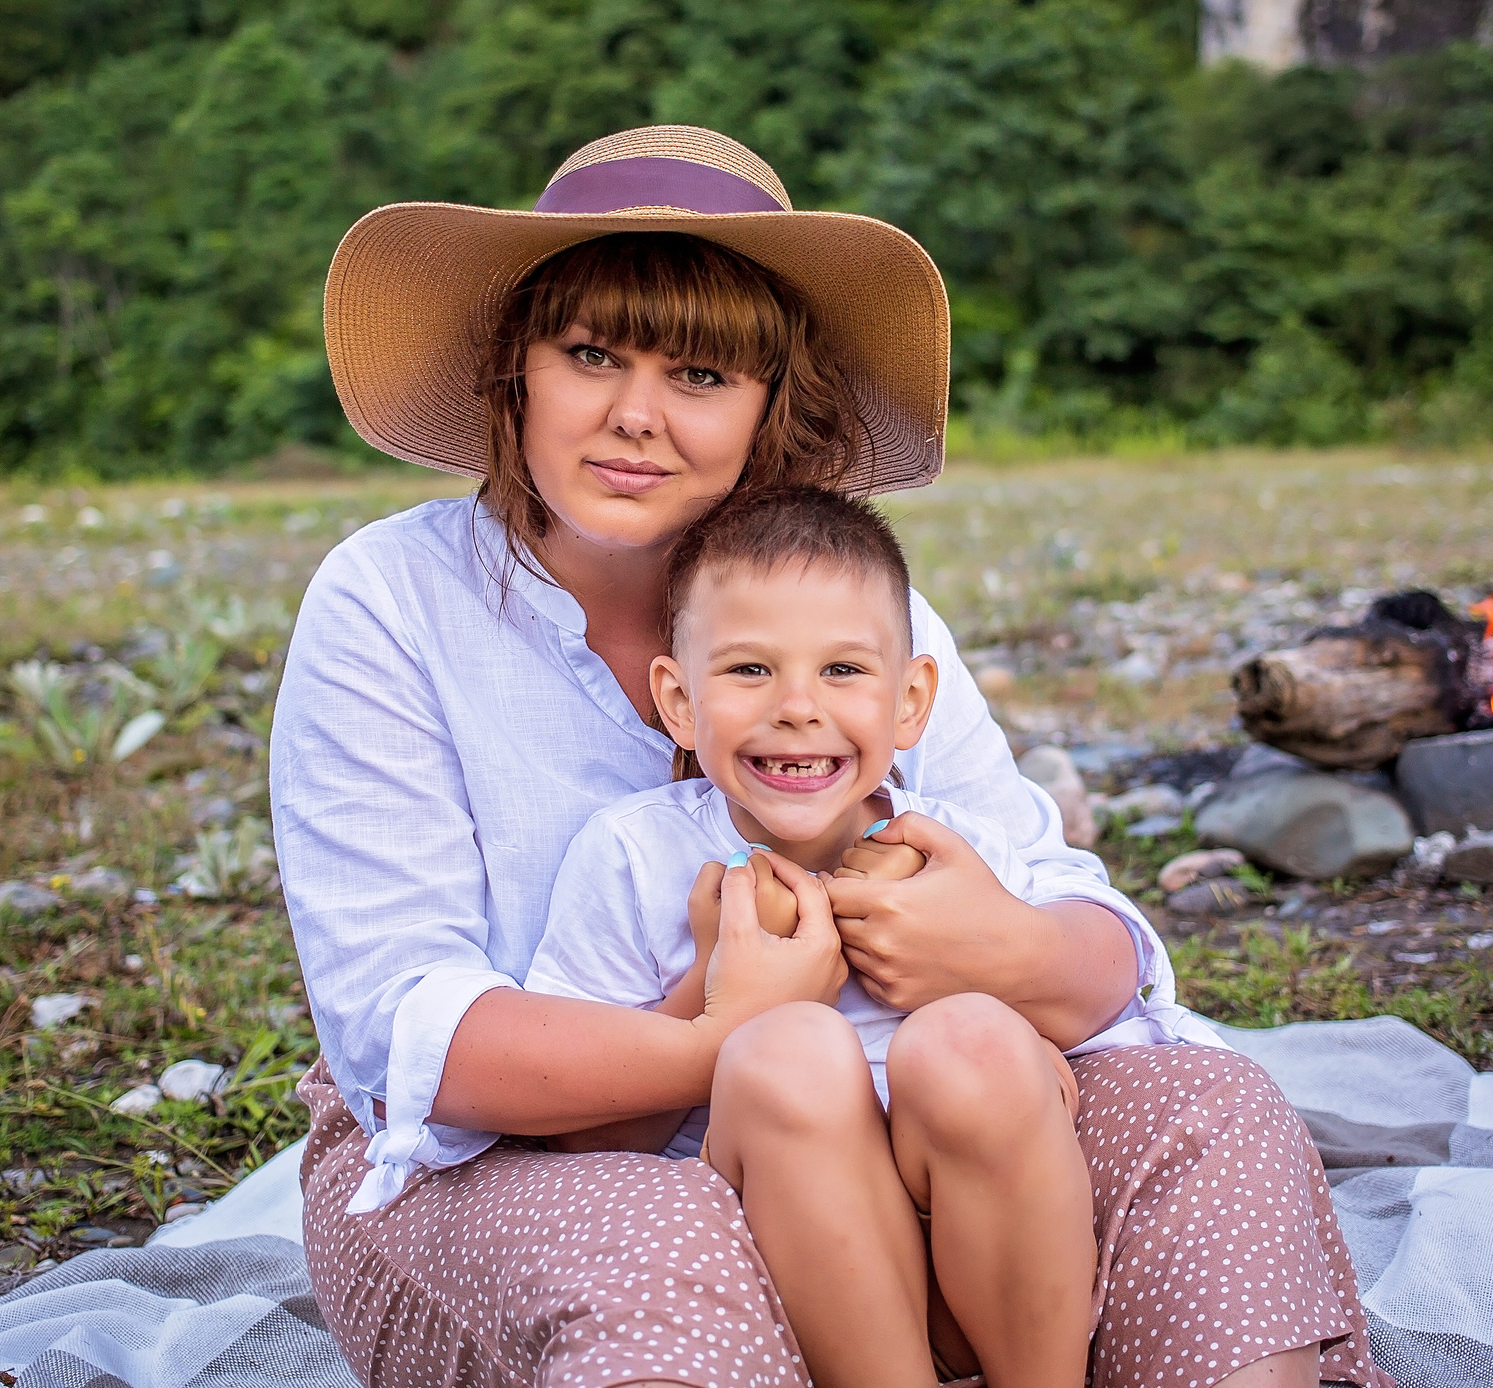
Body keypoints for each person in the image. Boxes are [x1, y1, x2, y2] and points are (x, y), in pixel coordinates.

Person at [273, 124, 1390, 1388]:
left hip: (896, 1155)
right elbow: (404, 1035)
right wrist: (719, 1034)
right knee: (659, 1235)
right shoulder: (391, 602)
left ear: (771, 405)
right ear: (514, 372)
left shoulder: (856, 612)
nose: (635, 415)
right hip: (533, 1171)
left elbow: (1084, 941)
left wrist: (1004, 951)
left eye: (700, 377)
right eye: (589, 355)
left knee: (1212, 1112)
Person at [527, 484, 1153, 1388]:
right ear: (678, 700)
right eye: (749, 670)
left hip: (984, 1271)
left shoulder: (951, 855)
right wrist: (713, 986)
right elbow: (585, 1138)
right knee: (789, 1048)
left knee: (974, 1036)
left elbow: (1075, 1025)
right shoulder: (637, 856)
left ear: (911, 701)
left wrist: (1015, 1028)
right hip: (789, 1288)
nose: (797, 707)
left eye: (843, 671)